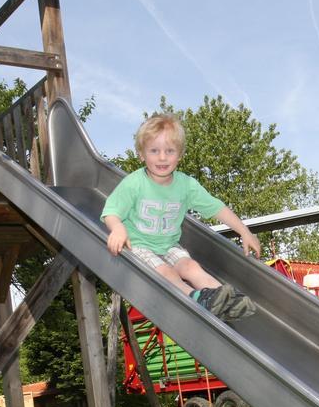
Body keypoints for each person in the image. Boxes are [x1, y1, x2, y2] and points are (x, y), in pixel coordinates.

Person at [101, 113, 260, 321]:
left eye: (170, 151)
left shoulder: (186, 186)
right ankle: (194, 297)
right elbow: (110, 211)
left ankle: (225, 298)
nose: (162, 157)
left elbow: (216, 208)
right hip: (138, 246)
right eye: (154, 151)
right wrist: (118, 228)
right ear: (142, 154)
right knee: (167, 272)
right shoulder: (134, 183)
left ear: (180, 155)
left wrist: (244, 231)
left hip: (168, 245)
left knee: (191, 266)